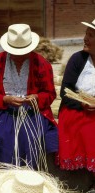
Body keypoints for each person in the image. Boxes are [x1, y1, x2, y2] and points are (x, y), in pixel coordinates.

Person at [0, 24, 58, 169]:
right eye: (15, 52)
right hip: (2, 112)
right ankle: (1, 174)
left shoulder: (42, 64)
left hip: (33, 112)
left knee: (32, 136)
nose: (20, 55)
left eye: (24, 52)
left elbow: (50, 93)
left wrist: (36, 98)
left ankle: (29, 176)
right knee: (0, 134)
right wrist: (4, 99)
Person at [57, 19, 95, 192]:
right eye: (86, 34)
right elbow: (65, 93)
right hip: (77, 110)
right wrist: (82, 104)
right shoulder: (77, 59)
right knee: (87, 129)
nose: (85, 39)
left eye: (91, 35)